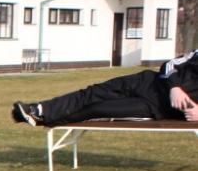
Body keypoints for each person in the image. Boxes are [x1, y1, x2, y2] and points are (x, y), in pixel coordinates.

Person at [13, 50, 198, 127]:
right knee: (92, 93)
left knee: (96, 109)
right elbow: (171, 64)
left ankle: (44, 120)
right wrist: (175, 88)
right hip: (148, 81)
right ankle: (38, 110)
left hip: (154, 106)